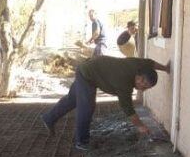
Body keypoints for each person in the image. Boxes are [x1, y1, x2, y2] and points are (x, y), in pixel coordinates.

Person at [40, 56, 171, 151]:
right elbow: (128, 109)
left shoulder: (139, 65)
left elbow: (151, 63)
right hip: (88, 74)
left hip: (90, 66)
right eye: (145, 86)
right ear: (140, 79)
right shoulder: (124, 83)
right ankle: (81, 141)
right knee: (87, 107)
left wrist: (165, 68)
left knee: (72, 99)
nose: (144, 89)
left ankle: (49, 118)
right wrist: (141, 126)